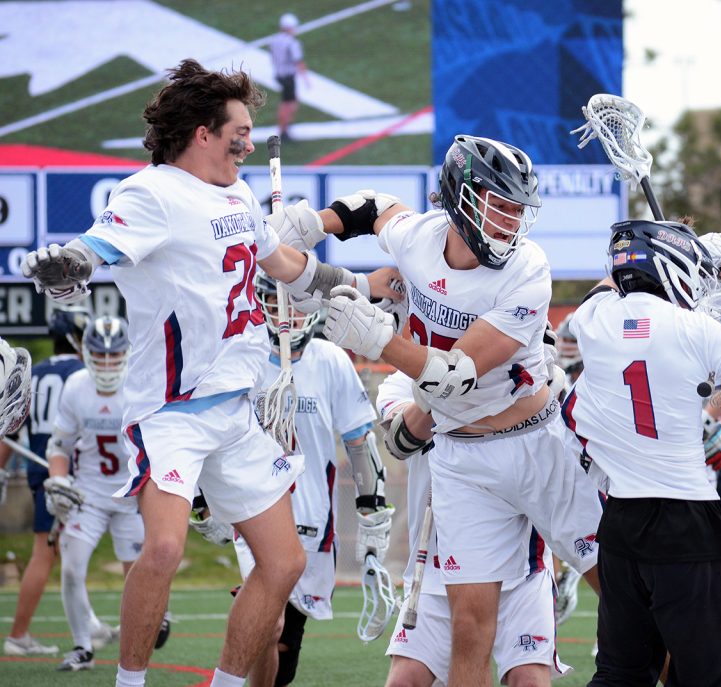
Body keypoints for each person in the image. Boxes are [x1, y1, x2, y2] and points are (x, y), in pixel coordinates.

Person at [20, 59, 400, 687]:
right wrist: (68, 260)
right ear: (202, 132)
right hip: (170, 411)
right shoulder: (152, 192)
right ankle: (129, 683)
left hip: (235, 407)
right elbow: (95, 247)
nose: (250, 142)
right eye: (240, 130)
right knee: (164, 548)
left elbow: (286, 266)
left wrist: (361, 283)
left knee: (284, 564)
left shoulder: (239, 193)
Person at [271, 134, 605, 686]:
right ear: (460, 197)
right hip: (461, 458)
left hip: (536, 443)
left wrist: (380, 342)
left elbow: (456, 374)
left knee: (626, 593)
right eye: (499, 205)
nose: (510, 222)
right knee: (468, 633)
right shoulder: (422, 239)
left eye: (518, 209)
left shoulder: (527, 269)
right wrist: (311, 225)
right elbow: (373, 208)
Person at [562, 219, 721, 686]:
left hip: (622, 521)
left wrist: (661, 241)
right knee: (701, 678)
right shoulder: (697, 329)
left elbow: (607, 284)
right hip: (686, 521)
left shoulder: (591, 319)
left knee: (619, 674)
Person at [219, 270, 392, 686]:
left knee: (284, 648)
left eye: (295, 303)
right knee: (270, 625)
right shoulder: (244, 355)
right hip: (255, 512)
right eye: (276, 303)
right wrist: (206, 501)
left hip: (312, 521)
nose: (286, 314)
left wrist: (371, 512)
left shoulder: (329, 359)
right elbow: (213, 433)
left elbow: (359, 442)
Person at [376, 370, 573, 686]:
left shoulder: (522, 369)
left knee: (528, 678)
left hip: (520, 564)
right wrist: (438, 386)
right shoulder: (402, 381)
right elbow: (404, 434)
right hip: (437, 565)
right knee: (405, 679)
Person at [1, 304, 104, 657]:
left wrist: (1, 471)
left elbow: (10, 425)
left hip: (36, 469)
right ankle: (18, 634)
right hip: (68, 469)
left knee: (63, 548)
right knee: (46, 552)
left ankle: (88, 623)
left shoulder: (34, 372)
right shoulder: (83, 374)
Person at [45, 316, 145, 671]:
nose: (106, 364)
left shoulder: (139, 384)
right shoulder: (75, 386)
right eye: (99, 356)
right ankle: (82, 647)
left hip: (132, 495)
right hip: (87, 495)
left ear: (126, 354)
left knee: (140, 576)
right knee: (71, 571)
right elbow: (60, 445)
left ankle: (144, 637)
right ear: (85, 353)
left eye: (114, 356)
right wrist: (58, 480)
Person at [269, 13, 307, 141]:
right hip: (288, 76)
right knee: (288, 104)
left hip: (279, 74)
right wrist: (306, 79)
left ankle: (285, 127)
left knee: (290, 101)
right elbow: (298, 61)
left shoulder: (274, 40)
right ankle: (283, 130)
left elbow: (273, 58)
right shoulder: (292, 42)